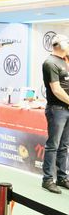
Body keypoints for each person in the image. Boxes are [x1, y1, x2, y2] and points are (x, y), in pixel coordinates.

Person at [41, 34, 69, 194]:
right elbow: (56, 89)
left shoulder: (64, 60)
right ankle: (47, 180)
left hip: (65, 109)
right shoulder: (50, 62)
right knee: (53, 145)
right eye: (67, 41)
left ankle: (62, 177)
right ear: (58, 44)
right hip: (57, 109)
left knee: (64, 146)